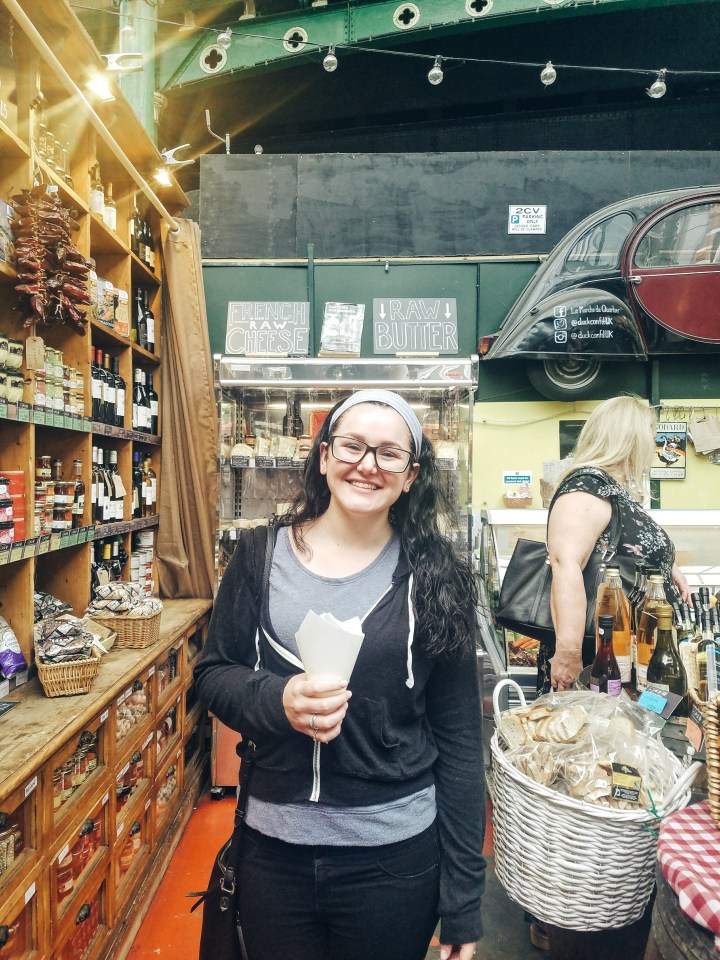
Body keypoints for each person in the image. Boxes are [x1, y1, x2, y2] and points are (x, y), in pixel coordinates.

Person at [194, 389, 485, 960]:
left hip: (394, 861)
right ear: (324, 456)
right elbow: (213, 674)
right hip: (272, 854)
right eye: (352, 446)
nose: (367, 465)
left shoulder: (436, 578)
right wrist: (277, 700)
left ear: (411, 475)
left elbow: (459, 743)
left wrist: (463, 899)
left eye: (388, 454)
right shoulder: (259, 557)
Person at [544, 394, 690, 693]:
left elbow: (622, 545)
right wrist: (569, 653)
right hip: (603, 658)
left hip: (630, 653)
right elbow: (565, 563)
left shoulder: (611, 489)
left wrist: (664, 567)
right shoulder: (587, 486)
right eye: (652, 434)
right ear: (632, 437)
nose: (654, 444)